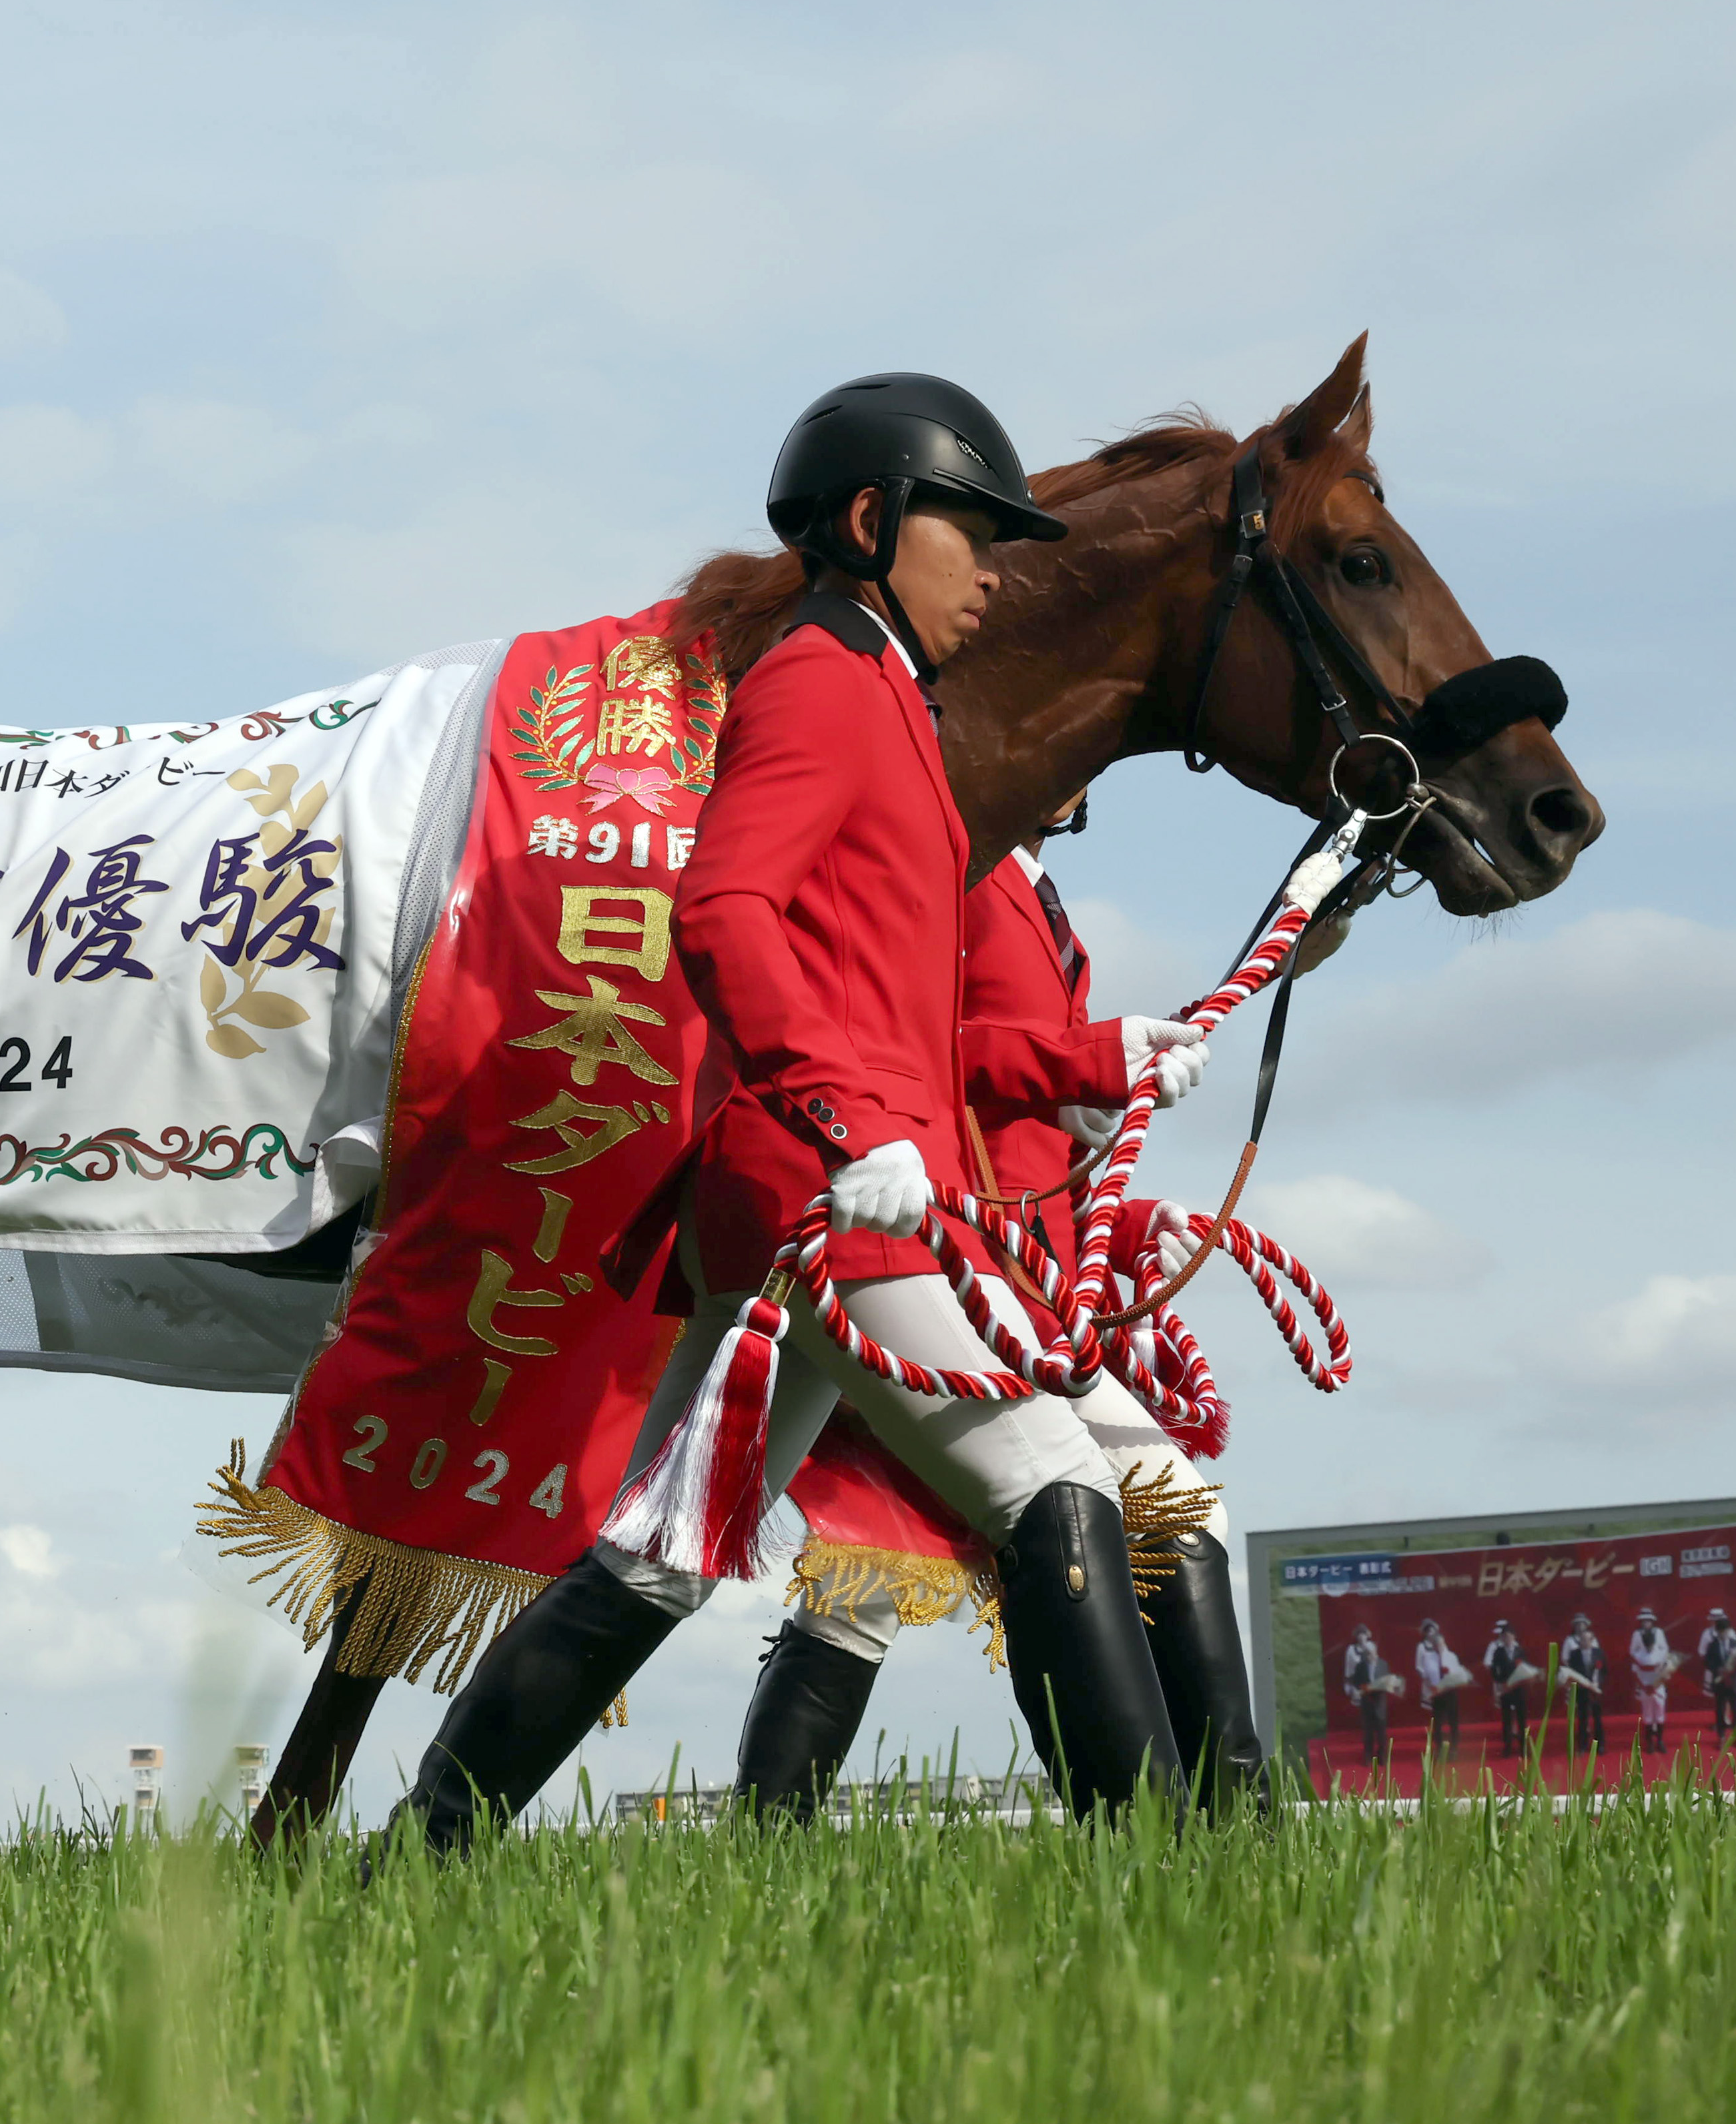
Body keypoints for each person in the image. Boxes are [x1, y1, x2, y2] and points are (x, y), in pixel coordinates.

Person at [379, 373, 1220, 1852]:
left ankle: (417, 1852)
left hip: (865, 1189)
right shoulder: (823, 678)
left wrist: (1095, 1060)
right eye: (974, 533)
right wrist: (845, 1123)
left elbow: (900, 999)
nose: (997, 570)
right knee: (1055, 1481)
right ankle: (1163, 1866)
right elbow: (726, 906)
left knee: (659, 1551)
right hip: (832, 1198)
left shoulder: (890, 693)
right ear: (871, 520)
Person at [729, 802, 1247, 1821]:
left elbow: (1014, 1126)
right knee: (865, 1584)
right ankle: (1174, 1833)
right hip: (928, 1258)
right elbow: (927, 1052)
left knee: (1166, 1512)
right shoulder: (954, 866)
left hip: (1019, 1274)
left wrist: (1129, 1215)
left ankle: (1229, 1827)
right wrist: (1086, 1061)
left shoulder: (1022, 880)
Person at [1340, 1623, 1399, 1775]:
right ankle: (1367, 1757)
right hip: (1366, 1702)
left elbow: (1388, 1682)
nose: (1372, 1655)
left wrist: (1387, 1685)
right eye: (1369, 1654)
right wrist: (1362, 1688)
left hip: (1379, 1703)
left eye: (1374, 1653)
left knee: (1381, 1732)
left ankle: (1382, 1757)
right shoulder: (1360, 1666)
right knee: (1368, 1732)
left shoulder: (1383, 1665)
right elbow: (1356, 1682)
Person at [1699, 1605, 1736, 1750]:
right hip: (1720, 1682)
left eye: (1726, 1631)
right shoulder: (1712, 1645)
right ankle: (1721, 1737)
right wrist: (1718, 1670)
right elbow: (1708, 1661)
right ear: (1718, 1632)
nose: (1724, 1634)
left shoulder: (1735, 1643)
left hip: (1734, 1682)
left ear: (1729, 1631)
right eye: (1722, 1632)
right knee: (1720, 1711)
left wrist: (1734, 1670)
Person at [1483, 1618, 1537, 1760]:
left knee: (1521, 1719)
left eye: (1509, 1636)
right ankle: (1507, 1747)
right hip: (1506, 1689)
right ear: (1502, 1638)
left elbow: (1525, 1667)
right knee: (1506, 1720)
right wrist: (1500, 1683)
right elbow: (1494, 1669)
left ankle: (1523, 1748)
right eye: (1504, 1636)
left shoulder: (1520, 1651)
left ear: (1514, 1637)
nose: (1507, 1638)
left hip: (1519, 1689)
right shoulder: (1498, 1652)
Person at [1416, 1618, 1468, 1761]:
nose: (1439, 1647)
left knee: (1453, 1722)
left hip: (1450, 1693)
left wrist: (1451, 1677)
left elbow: (1458, 1673)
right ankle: (1439, 1749)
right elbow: (1427, 1674)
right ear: (1433, 1646)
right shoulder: (1428, 1657)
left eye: (1441, 1644)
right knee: (1437, 1724)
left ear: (1444, 1643)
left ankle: (1454, 1749)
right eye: (1436, 1645)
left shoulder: (1451, 1656)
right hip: (1437, 1693)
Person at [1628, 1606, 1675, 1756]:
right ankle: (1649, 1741)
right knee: (1647, 1714)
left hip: (1658, 1684)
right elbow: (1632, 1652)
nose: (1646, 1623)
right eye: (1644, 1621)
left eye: (1648, 1621)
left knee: (1660, 1712)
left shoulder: (1659, 1634)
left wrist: (1661, 1662)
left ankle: (1660, 1740)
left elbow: (1665, 1650)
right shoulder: (1637, 1635)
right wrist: (1644, 1684)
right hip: (1645, 1684)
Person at [1561, 1611, 1608, 1757]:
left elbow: (1603, 1669)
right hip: (1581, 1689)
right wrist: (1578, 1682)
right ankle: (1582, 1746)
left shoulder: (1598, 1652)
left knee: (1597, 1719)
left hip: (1595, 1690)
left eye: (1587, 1640)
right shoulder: (1574, 1653)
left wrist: (1598, 1683)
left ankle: (1600, 1746)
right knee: (1582, 1719)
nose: (1584, 1642)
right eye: (1582, 1640)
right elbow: (1569, 1668)